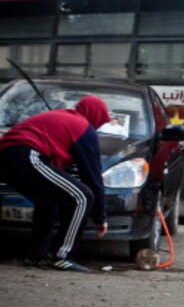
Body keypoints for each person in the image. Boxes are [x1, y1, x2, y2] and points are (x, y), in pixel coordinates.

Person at [0, 95, 111, 272]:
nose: (99, 126)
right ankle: (62, 256)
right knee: (83, 196)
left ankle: (36, 255)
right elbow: (92, 177)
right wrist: (100, 217)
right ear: (96, 116)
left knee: (49, 201)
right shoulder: (84, 128)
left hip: (7, 157)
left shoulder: (63, 116)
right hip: (25, 154)